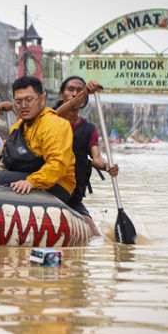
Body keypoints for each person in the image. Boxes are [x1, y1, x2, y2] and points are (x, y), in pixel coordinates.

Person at [0, 76, 76, 204]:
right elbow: (9, 149)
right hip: (28, 175)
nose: (23, 106)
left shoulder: (55, 124)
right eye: (18, 102)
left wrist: (32, 182)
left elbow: (58, 164)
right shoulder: (18, 126)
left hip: (57, 184)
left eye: (29, 100)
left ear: (41, 100)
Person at [55, 76, 119, 235]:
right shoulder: (50, 118)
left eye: (79, 90)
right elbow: (56, 116)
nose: (74, 94)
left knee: (94, 235)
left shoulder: (89, 128)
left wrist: (107, 166)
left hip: (73, 196)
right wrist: (84, 92)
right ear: (61, 94)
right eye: (70, 89)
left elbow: (96, 158)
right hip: (47, 190)